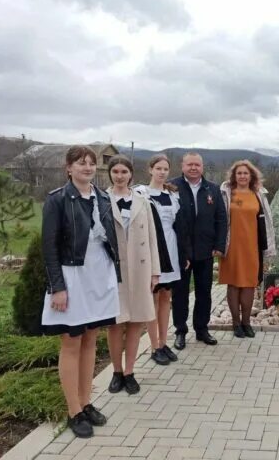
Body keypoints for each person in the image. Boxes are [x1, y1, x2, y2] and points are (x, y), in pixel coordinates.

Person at [41, 145, 120, 438]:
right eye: (80, 163)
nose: (87, 167)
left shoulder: (102, 197)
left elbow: (109, 240)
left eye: (91, 163)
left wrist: (116, 276)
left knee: (90, 340)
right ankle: (73, 410)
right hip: (72, 277)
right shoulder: (57, 200)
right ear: (69, 168)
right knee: (72, 342)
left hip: (98, 277)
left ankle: (87, 402)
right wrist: (57, 288)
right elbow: (48, 248)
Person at [106, 155, 160, 394]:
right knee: (116, 324)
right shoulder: (101, 200)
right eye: (115, 171)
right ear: (110, 174)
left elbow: (152, 238)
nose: (119, 176)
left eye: (124, 172)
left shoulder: (142, 202)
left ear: (130, 174)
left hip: (140, 269)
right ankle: (116, 372)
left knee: (137, 321)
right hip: (113, 270)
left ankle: (130, 371)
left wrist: (155, 272)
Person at [171, 152, 227, 349]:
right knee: (180, 293)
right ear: (182, 165)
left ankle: (202, 330)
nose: (193, 168)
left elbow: (221, 219)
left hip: (206, 251)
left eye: (197, 164)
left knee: (204, 292)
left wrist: (219, 246)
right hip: (181, 251)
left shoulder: (212, 188)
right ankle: (180, 331)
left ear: (202, 167)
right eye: (189, 164)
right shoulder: (172, 187)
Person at [135, 154, 187, 365]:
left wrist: (184, 254)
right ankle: (154, 345)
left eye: (166, 169)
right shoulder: (141, 194)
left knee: (167, 298)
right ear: (150, 169)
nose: (162, 172)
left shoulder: (172, 195)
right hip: (152, 249)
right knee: (153, 300)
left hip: (171, 250)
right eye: (158, 168)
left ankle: (164, 342)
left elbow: (179, 227)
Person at [219, 160, 276, 338]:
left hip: (252, 246)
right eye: (239, 173)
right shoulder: (226, 193)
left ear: (251, 176)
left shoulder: (258, 194)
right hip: (231, 246)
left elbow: (268, 222)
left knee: (250, 284)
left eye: (246, 173)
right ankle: (236, 324)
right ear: (234, 176)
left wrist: (269, 246)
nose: (242, 176)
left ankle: (246, 322)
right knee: (234, 284)